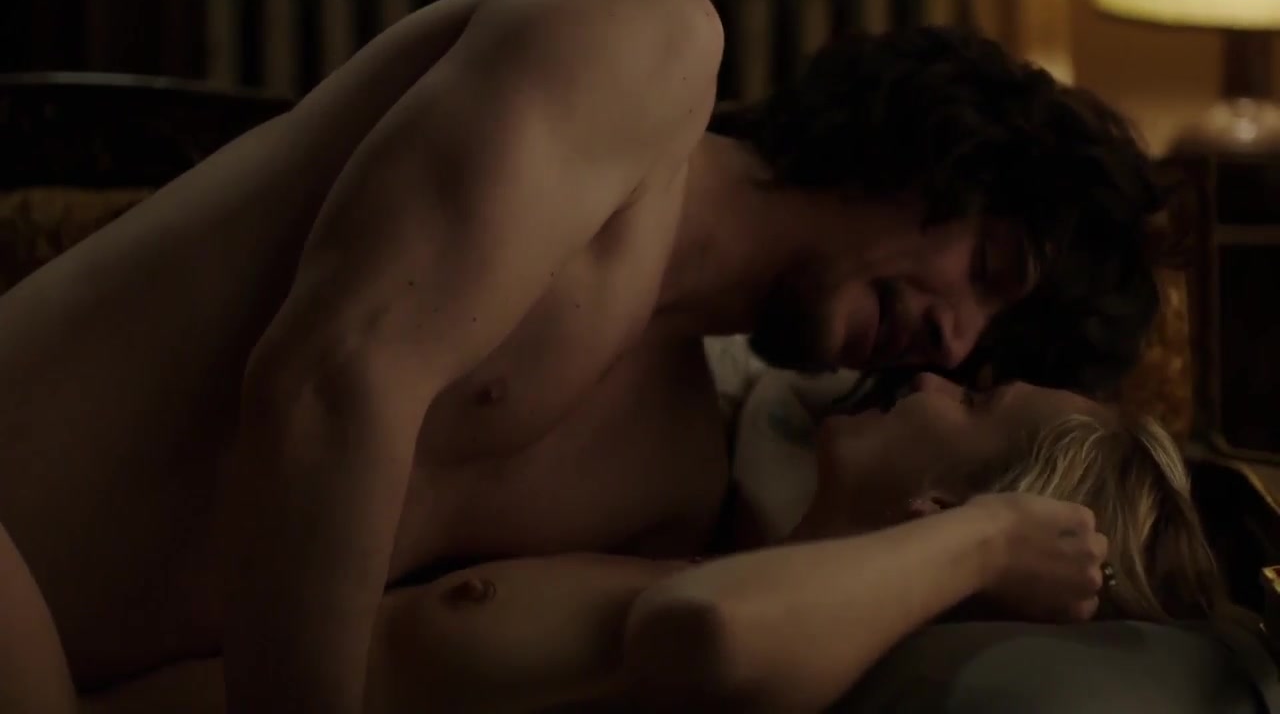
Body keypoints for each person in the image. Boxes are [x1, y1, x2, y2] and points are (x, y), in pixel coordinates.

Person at [0, 0, 1169, 711]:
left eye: (981, 355)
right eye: (990, 266)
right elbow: (328, 386)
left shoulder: (668, 480)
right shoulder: (634, 42)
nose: (951, 337)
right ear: (945, 143)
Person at [82, 374, 1228, 713]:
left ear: (948, 501)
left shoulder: (781, 646)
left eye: (970, 402)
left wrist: (988, 541)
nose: (926, 375)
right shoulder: (708, 546)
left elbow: (700, 634)